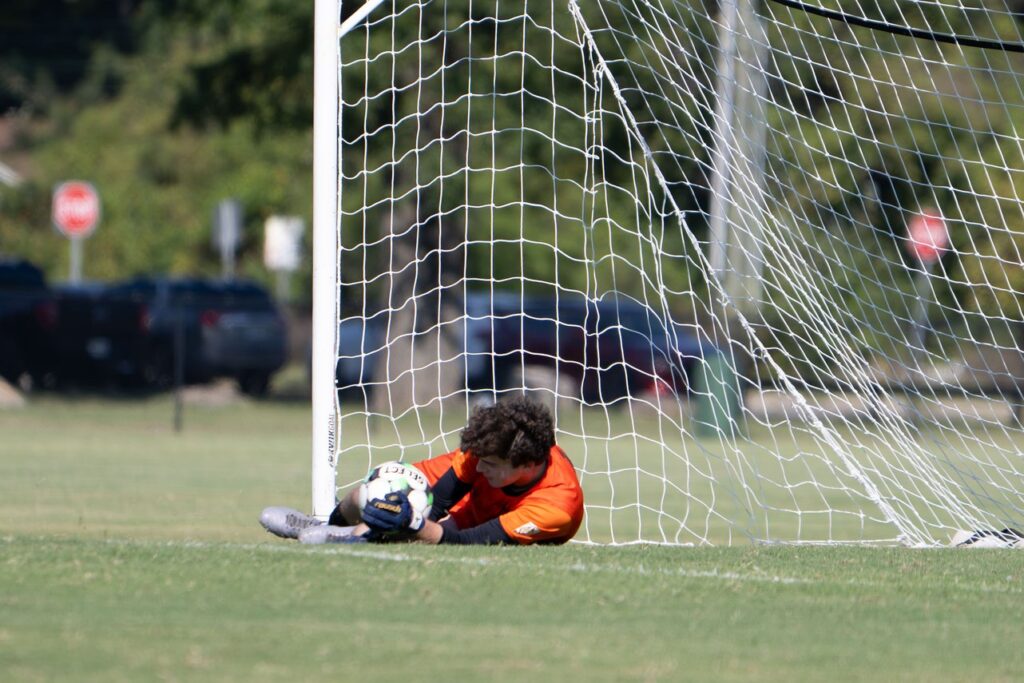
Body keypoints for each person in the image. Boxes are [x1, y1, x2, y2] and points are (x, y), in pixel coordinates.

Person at [260, 395, 584, 545]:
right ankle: (331, 524)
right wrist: (407, 511)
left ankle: (347, 539)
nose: (479, 466)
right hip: (473, 497)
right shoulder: (490, 447)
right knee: (386, 488)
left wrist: (412, 524)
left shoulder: (556, 506)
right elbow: (441, 499)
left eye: (490, 464)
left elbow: (469, 540)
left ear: (527, 465)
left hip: (491, 517)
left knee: (425, 530)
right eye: (477, 458)